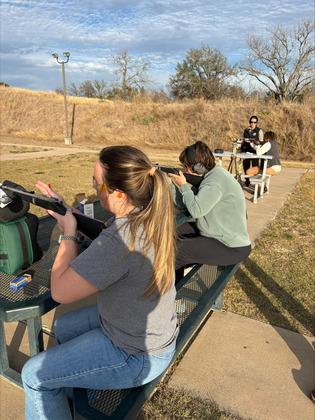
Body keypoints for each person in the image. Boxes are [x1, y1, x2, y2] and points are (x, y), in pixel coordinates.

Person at [21, 146, 179, 420]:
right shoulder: (147, 214)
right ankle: (69, 397)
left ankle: (57, 394)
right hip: (146, 335)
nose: (94, 186)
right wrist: (66, 209)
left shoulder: (119, 241)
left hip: (135, 355)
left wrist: (68, 234)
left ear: (119, 193)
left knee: (34, 375)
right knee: (63, 326)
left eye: (97, 182)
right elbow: (104, 231)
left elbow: (60, 291)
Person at [169, 141, 251, 282]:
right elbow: (185, 205)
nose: (186, 170)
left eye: (187, 167)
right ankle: (175, 281)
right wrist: (170, 184)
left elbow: (196, 210)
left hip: (229, 246)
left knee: (175, 252)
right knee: (169, 230)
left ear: (198, 167)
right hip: (213, 232)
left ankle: (168, 297)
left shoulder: (214, 181)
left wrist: (183, 185)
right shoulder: (212, 175)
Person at [241, 115, 264, 186]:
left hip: (255, 152)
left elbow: (261, 141)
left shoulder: (259, 131)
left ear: (256, 123)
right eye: (251, 122)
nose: (253, 124)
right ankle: (247, 181)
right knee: (245, 167)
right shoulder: (246, 130)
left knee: (255, 168)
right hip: (246, 152)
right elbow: (242, 140)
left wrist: (254, 143)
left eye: (254, 122)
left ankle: (256, 185)